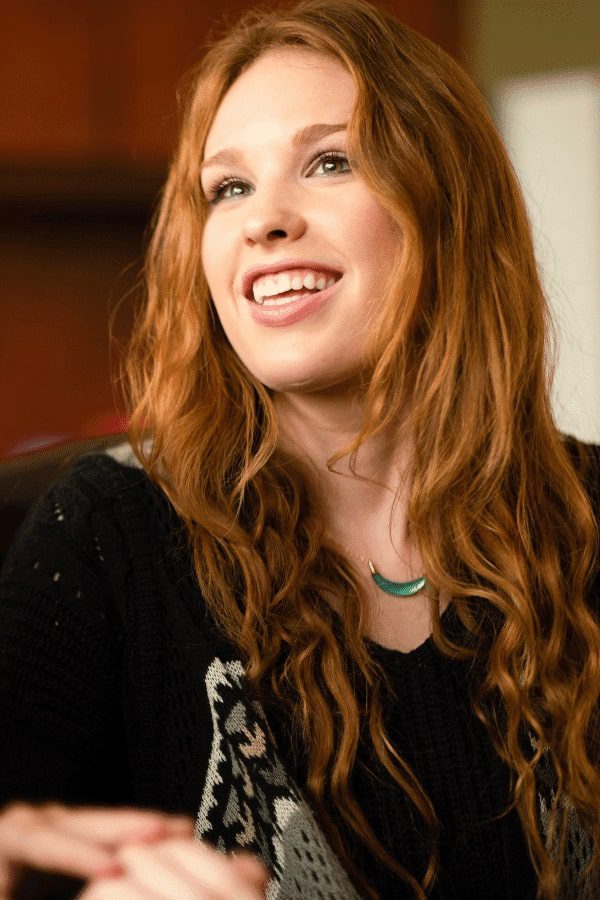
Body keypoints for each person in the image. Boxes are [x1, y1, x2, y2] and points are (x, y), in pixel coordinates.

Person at [0, 0, 599, 897]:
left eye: (329, 162)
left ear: (449, 210)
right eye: (227, 187)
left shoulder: (590, 510)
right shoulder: (104, 535)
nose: (263, 220)